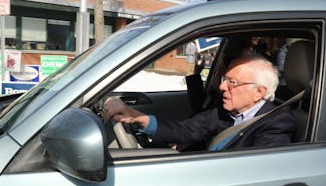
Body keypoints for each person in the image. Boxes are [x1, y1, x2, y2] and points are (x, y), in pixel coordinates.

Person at [104, 55, 297, 151]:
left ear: (258, 93)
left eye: (232, 83)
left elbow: (260, 173)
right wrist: (138, 117)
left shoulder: (277, 123)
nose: (222, 87)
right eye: (224, 79)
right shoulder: (224, 111)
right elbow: (185, 130)